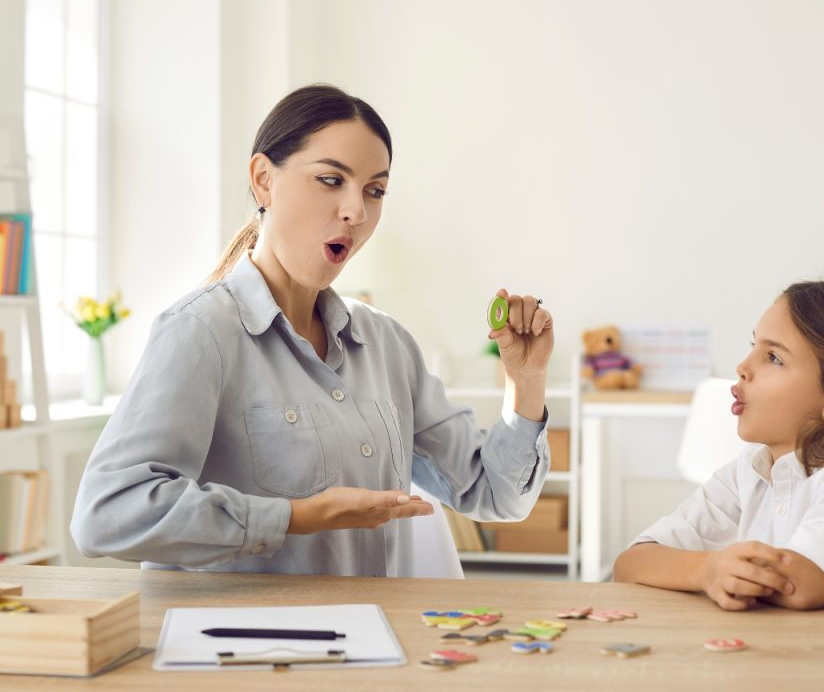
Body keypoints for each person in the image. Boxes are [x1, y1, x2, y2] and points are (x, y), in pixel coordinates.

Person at [70, 84, 554, 576]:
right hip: (242, 647)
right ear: (263, 180)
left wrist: (526, 381)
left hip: (376, 644)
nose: (356, 211)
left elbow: (495, 495)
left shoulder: (388, 345)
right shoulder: (200, 332)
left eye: (375, 190)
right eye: (330, 179)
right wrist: (296, 517)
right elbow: (106, 513)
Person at [613, 281, 824, 610]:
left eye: (772, 356)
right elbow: (631, 563)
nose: (743, 367)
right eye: (753, 346)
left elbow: (804, 583)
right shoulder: (749, 470)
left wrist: (716, 571)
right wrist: (707, 571)